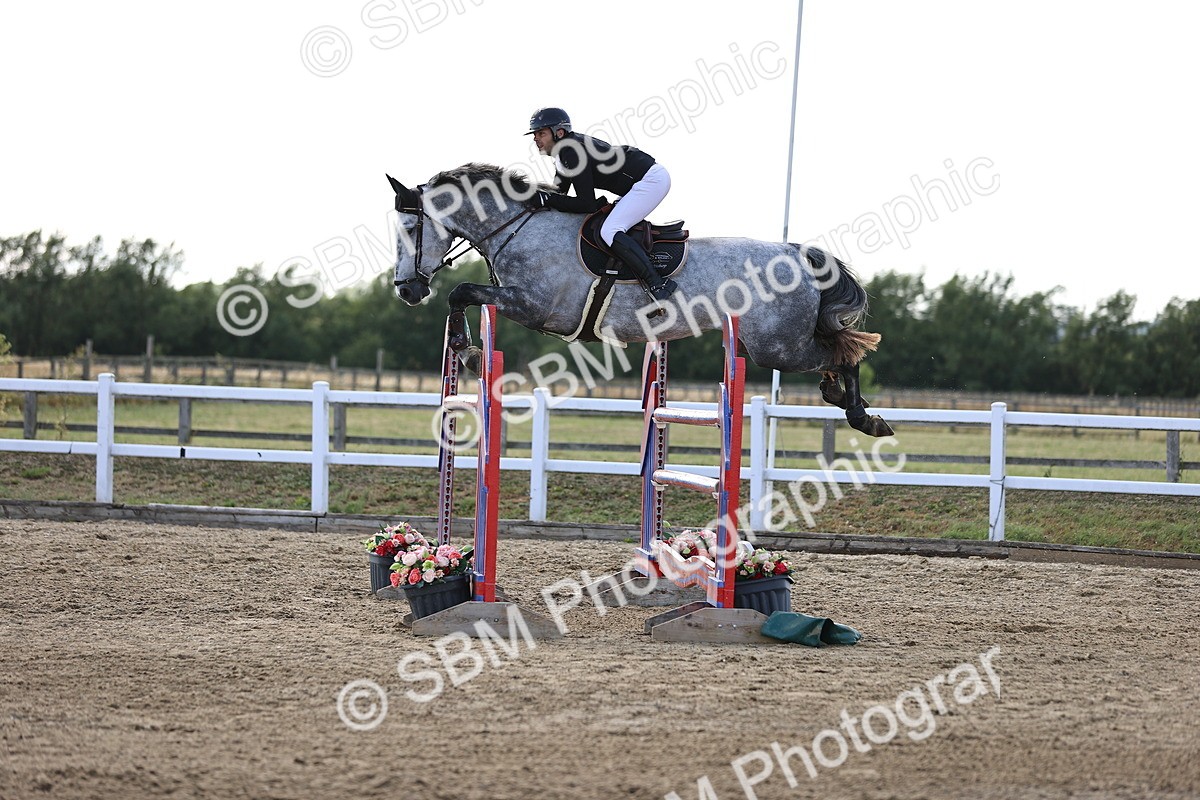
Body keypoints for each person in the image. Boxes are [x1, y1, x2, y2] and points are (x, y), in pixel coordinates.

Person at [525, 107, 677, 301]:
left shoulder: (571, 151)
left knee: (610, 230)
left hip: (650, 180)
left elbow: (585, 203)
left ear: (559, 132)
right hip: (640, 180)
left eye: (541, 133)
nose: (536, 139)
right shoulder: (564, 153)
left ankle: (657, 282)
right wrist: (538, 198)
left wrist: (546, 198)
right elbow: (559, 194)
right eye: (535, 134)